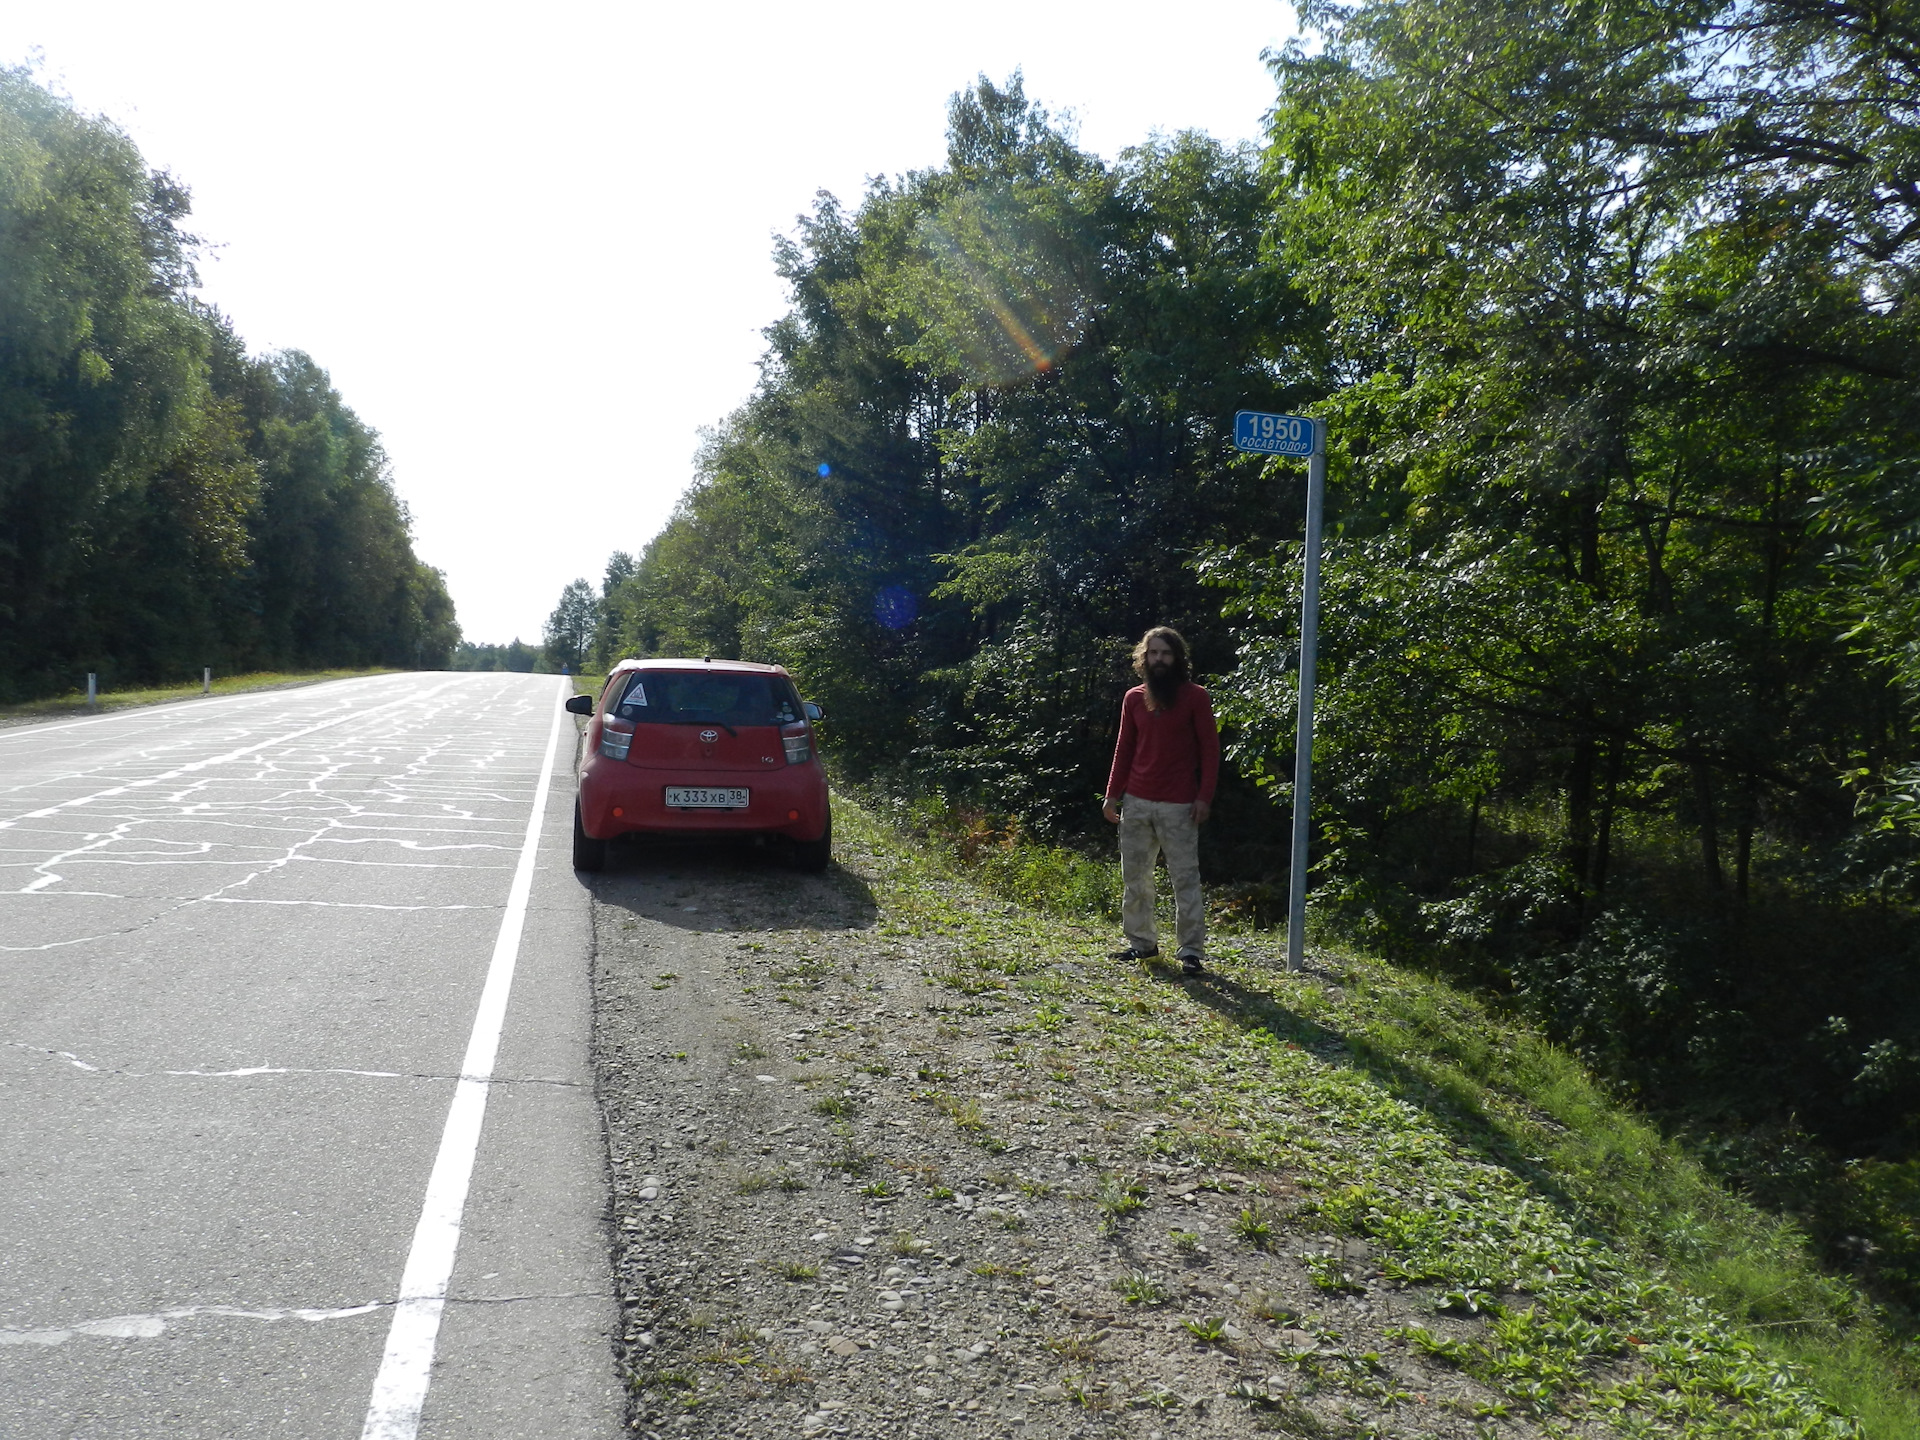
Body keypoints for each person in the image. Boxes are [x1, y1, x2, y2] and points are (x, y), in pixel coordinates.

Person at [1102, 626, 1219, 974]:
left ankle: (1191, 952)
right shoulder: (1133, 698)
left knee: (1185, 878)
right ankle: (1142, 944)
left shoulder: (1196, 696)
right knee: (1135, 877)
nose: (1159, 659)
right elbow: (1124, 749)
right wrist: (1112, 795)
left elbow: (1210, 751)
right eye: (1153, 653)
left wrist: (1204, 797)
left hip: (1180, 804)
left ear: (1177, 657)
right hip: (1136, 801)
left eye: (1166, 653)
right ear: (1143, 657)